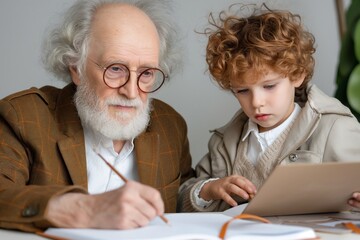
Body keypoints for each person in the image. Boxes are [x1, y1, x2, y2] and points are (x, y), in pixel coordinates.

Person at [0, 0, 194, 232]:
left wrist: (207, 193)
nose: (131, 92)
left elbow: (184, 197)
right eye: (115, 68)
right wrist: (83, 209)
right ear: (76, 67)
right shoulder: (22, 116)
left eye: (147, 73)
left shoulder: (170, 125)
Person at [178, 4, 360, 213]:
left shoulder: (334, 128)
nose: (256, 102)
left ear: (297, 75)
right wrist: (208, 189)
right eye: (243, 91)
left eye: (269, 86)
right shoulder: (223, 143)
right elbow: (183, 199)